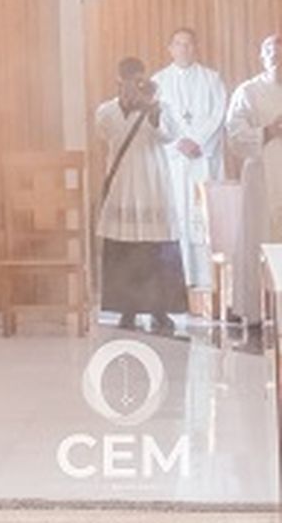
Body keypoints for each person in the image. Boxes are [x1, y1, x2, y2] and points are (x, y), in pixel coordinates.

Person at [95, 57, 187, 333]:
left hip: (153, 184)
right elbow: (106, 132)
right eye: (128, 81)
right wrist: (127, 104)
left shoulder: (160, 107)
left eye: (139, 80)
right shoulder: (107, 110)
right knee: (124, 249)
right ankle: (127, 309)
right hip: (123, 185)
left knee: (156, 248)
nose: (135, 86)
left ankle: (160, 310)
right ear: (118, 81)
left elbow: (170, 135)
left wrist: (151, 109)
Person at [153, 28, 226, 290]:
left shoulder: (212, 79)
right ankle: (178, 279)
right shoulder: (157, 82)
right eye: (178, 44)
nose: (183, 49)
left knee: (202, 215)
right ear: (170, 48)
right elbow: (155, 122)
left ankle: (206, 279)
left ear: (196, 48)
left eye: (188, 44)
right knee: (177, 217)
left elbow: (219, 114)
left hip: (202, 159)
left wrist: (198, 141)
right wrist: (177, 143)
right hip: (174, 162)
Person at [224, 34, 282, 324]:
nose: (277, 58)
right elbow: (234, 135)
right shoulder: (248, 92)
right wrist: (267, 132)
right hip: (261, 177)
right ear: (262, 56)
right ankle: (256, 311)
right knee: (258, 237)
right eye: (271, 52)